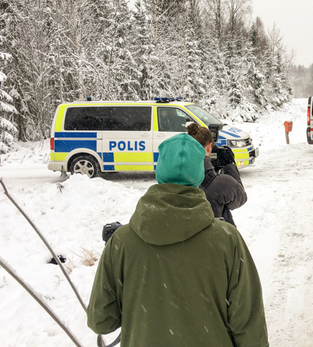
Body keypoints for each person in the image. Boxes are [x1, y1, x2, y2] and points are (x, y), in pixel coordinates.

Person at [87, 133, 269, 347]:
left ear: (159, 172)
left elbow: (101, 321)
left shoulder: (122, 242)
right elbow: (250, 329)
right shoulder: (227, 240)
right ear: (200, 174)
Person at [186, 123, 247, 226]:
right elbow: (240, 198)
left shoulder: (174, 179)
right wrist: (230, 165)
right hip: (218, 235)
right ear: (210, 147)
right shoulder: (221, 184)